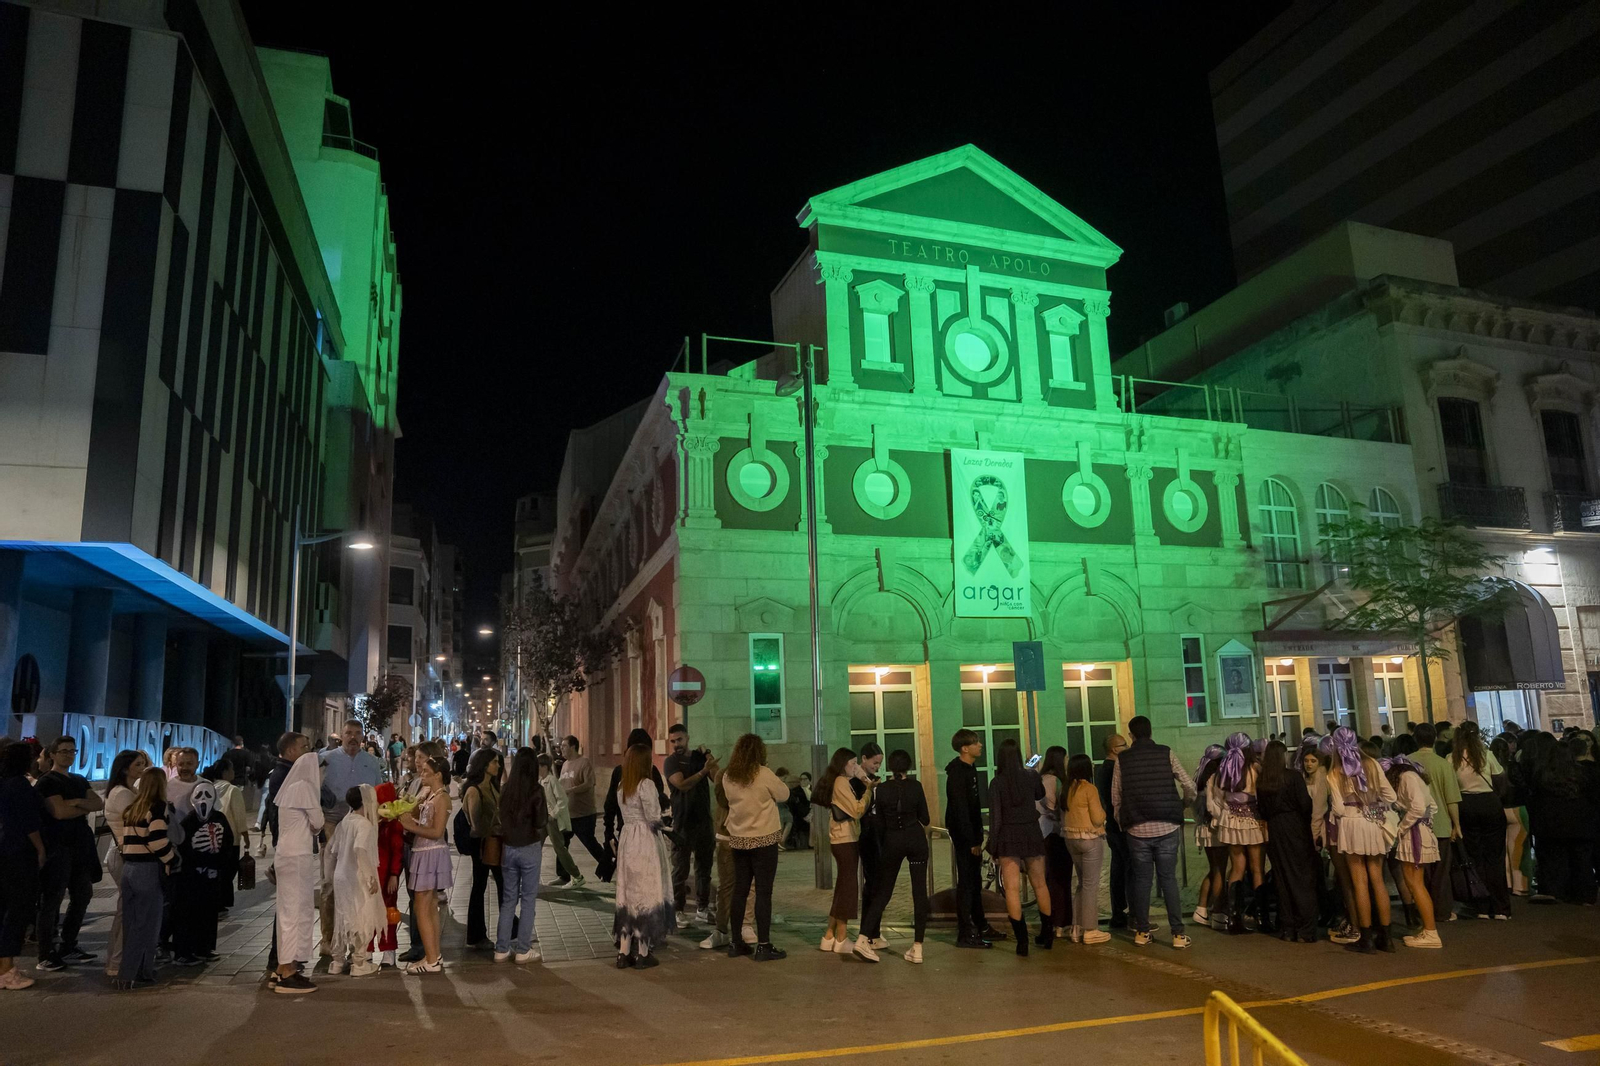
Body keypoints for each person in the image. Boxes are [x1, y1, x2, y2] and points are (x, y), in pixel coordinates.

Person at [1111, 715, 1196, 949]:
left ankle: (1142, 931)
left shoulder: (1123, 759)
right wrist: (1183, 804)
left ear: (1132, 735)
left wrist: (1123, 821)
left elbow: (1116, 797)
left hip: (1137, 829)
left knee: (1141, 881)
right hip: (1168, 826)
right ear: (1150, 732)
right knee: (1169, 880)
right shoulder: (1166, 753)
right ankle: (1178, 935)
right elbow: (1189, 785)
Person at [33, 736, 103, 971]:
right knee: (51, 900)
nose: (69, 755)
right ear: (52, 754)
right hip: (57, 847)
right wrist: (78, 804)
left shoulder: (78, 778)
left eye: (73, 751)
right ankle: (45, 952)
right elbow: (59, 813)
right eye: (64, 751)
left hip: (80, 847)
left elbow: (97, 804)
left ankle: (68, 944)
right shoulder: (47, 782)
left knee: (83, 894)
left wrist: (72, 802)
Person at [719, 733, 790, 962]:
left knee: (740, 889)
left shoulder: (729, 776)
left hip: (739, 839)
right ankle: (764, 945)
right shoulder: (763, 773)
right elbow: (784, 794)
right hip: (764, 839)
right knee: (763, 892)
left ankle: (735, 942)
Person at [318, 720, 385, 957]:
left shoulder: (372, 762)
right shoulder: (325, 759)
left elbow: (377, 795)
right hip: (333, 822)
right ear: (341, 736)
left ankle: (356, 939)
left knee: (357, 884)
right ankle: (328, 939)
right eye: (349, 733)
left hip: (361, 826)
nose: (353, 738)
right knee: (330, 882)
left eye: (357, 734)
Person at [1326, 727, 1397, 953]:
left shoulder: (1334, 772)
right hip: (1374, 823)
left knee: (1359, 882)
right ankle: (1386, 937)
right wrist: (1374, 805)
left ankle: (1365, 937)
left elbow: (1337, 808)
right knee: (1377, 879)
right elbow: (1391, 797)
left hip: (1351, 824)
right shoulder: (1373, 765)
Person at [859, 748, 931, 963]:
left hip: (892, 841)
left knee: (883, 891)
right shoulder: (916, 786)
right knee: (919, 893)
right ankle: (917, 947)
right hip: (916, 840)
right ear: (908, 766)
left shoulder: (882, 790)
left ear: (890, 767)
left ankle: (863, 938)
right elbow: (925, 819)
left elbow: (879, 823)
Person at [985, 739, 1053, 955]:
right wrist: (1031, 770)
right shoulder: (1030, 776)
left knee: (1012, 889)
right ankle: (1047, 935)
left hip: (1008, 834)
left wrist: (992, 846)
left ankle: (1022, 942)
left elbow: (996, 818)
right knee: (1040, 884)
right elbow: (1039, 794)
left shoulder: (996, 783)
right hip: (1031, 831)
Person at [113, 768, 177, 991]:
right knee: (148, 924)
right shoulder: (157, 808)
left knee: (131, 924)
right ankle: (131, 973)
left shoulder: (132, 809)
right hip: (148, 871)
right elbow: (157, 841)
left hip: (129, 869)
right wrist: (172, 859)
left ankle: (138, 970)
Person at [612, 743, 674, 969]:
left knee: (628, 895)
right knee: (646, 894)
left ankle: (623, 952)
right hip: (645, 841)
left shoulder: (622, 786)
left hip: (627, 839)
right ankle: (643, 953)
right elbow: (653, 816)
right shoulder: (645, 785)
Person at [269, 750, 323, 993]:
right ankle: (288, 971)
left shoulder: (290, 788)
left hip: (285, 854)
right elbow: (318, 822)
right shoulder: (304, 788)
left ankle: (281, 968)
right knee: (296, 911)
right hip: (298, 856)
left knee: (286, 911)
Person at [1256, 740, 1317, 943]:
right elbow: (1305, 805)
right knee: (1301, 876)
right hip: (1295, 827)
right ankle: (1305, 928)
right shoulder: (1293, 777)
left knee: (1281, 878)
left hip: (1275, 829)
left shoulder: (1263, 781)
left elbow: (1262, 810)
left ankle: (1287, 927)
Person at [945, 730, 1002, 948]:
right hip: (965, 838)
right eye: (975, 743)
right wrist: (972, 841)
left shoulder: (969, 769)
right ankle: (966, 932)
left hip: (971, 836)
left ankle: (980, 925)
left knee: (974, 883)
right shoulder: (958, 773)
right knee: (967, 884)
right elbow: (960, 810)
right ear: (964, 748)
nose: (980, 745)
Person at [398, 755, 453, 974]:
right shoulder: (428, 793)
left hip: (430, 852)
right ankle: (433, 956)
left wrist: (410, 826)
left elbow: (437, 832)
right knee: (426, 906)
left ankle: (431, 959)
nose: (422, 774)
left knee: (424, 906)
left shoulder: (442, 798)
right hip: (422, 851)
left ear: (438, 775)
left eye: (426, 772)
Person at [1209, 731, 1267, 935]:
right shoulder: (1255, 768)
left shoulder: (1222, 771)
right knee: (1257, 868)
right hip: (1253, 820)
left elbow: (1218, 799)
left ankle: (1235, 919)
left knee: (1236, 868)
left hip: (1232, 821)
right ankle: (1262, 918)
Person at [814, 747, 870, 956]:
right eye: (852, 763)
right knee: (848, 888)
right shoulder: (841, 782)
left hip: (842, 839)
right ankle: (842, 937)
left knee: (842, 887)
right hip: (845, 839)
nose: (855, 767)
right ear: (843, 764)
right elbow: (856, 810)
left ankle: (829, 935)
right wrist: (868, 790)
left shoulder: (838, 781)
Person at [1453, 721, 1511, 919]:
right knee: (1495, 857)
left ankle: (1482, 907)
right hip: (1489, 802)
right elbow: (1501, 779)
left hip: (1465, 804)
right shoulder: (1487, 754)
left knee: (1474, 857)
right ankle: (1501, 907)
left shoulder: (1452, 758)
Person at [0, 742, 46, 990]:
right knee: (17, 910)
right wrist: (40, 848)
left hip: (4, 850)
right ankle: (6, 969)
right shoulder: (19, 785)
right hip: (17, 854)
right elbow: (29, 823)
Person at [172, 781, 234, 965]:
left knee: (209, 913)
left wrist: (219, 866)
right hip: (192, 877)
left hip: (212, 876)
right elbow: (183, 847)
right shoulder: (189, 822)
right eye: (199, 796)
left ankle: (204, 948)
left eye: (208, 795)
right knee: (188, 914)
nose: (203, 800)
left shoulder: (220, 818)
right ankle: (185, 951)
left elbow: (227, 844)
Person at [102, 748, 150, 980]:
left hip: (127, 853)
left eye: (143, 764)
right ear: (124, 768)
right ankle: (118, 962)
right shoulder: (121, 793)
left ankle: (115, 959)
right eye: (138, 765)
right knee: (128, 911)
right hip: (124, 854)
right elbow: (142, 819)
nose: (142, 768)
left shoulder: (129, 790)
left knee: (125, 911)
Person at [496, 747, 548, 963]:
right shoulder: (536, 790)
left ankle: (501, 949)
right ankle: (523, 949)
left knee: (508, 899)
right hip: (529, 846)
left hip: (509, 848)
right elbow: (541, 821)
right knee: (528, 899)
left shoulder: (506, 789)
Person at [328, 784, 385, 977]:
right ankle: (359, 962)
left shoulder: (346, 820)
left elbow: (333, 850)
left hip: (341, 875)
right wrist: (370, 877)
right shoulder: (364, 824)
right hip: (356, 875)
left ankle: (337, 961)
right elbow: (360, 850)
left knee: (343, 917)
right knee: (362, 915)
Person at [663, 723, 717, 926]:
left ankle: (702, 908)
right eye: (673, 741)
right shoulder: (671, 762)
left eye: (679, 740)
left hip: (703, 821)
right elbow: (681, 784)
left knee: (704, 868)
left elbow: (718, 777)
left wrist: (708, 755)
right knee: (680, 869)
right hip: (683, 822)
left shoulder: (699, 757)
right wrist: (703, 771)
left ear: (687, 738)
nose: (676, 744)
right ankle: (678, 910)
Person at [1386, 757, 1442, 948]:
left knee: (1415, 885)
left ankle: (1431, 932)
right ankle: (1428, 930)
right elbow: (1431, 806)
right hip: (1419, 831)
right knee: (1414, 884)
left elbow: (1418, 807)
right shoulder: (1414, 777)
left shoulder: (1407, 778)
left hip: (1414, 834)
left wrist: (1402, 827)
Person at [1411, 723, 1461, 922]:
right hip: (1440, 824)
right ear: (1434, 739)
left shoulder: (1407, 762)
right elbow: (1451, 799)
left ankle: (1423, 910)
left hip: (1414, 825)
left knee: (1419, 873)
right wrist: (1456, 825)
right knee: (1441, 872)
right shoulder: (1443, 764)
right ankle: (1442, 911)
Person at [1062, 752, 1110, 945]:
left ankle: (1076, 927)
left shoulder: (1066, 789)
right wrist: (1106, 811)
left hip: (1070, 839)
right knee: (1091, 885)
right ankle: (1090, 929)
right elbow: (1098, 817)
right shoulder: (1088, 788)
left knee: (1081, 884)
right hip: (1090, 839)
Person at [462, 747, 505, 948]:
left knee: (504, 884)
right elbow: (476, 824)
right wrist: (495, 825)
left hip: (495, 841)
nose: (498, 765)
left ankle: (509, 929)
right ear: (484, 765)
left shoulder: (494, 786)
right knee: (480, 886)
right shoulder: (474, 790)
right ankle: (476, 935)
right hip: (481, 843)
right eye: (494, 762)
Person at [559, 736, 610, 878]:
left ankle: (608, 867)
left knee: (590, 843)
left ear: (573, 747)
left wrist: (572, 790)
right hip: (568, 814)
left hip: (584, 814)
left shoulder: (584, 763)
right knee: (561, 843)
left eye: (564, 746)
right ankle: (563, 875)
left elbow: (589, 783)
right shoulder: (565, 765)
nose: (561, 748)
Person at [1036, 746, 1071, 943]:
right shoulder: (1055, 781)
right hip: (1055, 834)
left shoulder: (1041, 779)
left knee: (1049, 880)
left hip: (1043, 834)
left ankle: (1051, 922)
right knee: (1060, 880)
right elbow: (1055, 808)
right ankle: (1060, 922)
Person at [1096, 733, 1130, 929]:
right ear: (1114, 749)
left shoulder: (1103, 768)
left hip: (1112, 825)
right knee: (1125, 868)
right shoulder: (1113, 768)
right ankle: (1123, 911)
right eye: (1123, 744)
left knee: (1118, 868)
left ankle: (1119, 911)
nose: (1126, 746)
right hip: (1118, 825)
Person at [1191, 744, 1226, 931]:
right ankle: (1218, 912)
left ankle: (1201, 908)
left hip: (1203, 828)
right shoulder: (1216, 779)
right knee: (1220, 869)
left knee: (1214, 869)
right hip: (1215, 828)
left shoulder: (1199, 778)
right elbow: (1216, 806)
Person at [256, 731, 311, 853]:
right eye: (304, 747)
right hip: (289, 836)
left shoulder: (292, 771)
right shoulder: (285, 774)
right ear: (291, 751)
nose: (308, 750)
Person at [538, 755, 585, 888]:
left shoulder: (552, 780)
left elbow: (562, 800)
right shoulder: (542, 781)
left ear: (544, 767)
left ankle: (577, 876)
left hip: (551, 820)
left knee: (559, 848)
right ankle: (531, 875)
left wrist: (553, 815)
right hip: (544, 820)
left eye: (539, 766)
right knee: (536, 846)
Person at [370, 782, 404, 967]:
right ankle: (366, 949)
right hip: (371, 876)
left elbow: (397, 852)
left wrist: (393, 874)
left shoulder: (393, 825)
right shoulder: (372, 823)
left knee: (389, 912)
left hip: (385, 878)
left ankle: (388, 949)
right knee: (368, 913)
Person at [854, 742, 885, 928]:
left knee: (877, 881)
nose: (877, 766)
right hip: (865, 835)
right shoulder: (857, 782)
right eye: (874, 762)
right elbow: (859, 808)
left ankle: (872, 927)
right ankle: (869, 929)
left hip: (877, 834)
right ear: (863, 759)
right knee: (872, 881)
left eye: (880, 763)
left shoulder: (874, 779)